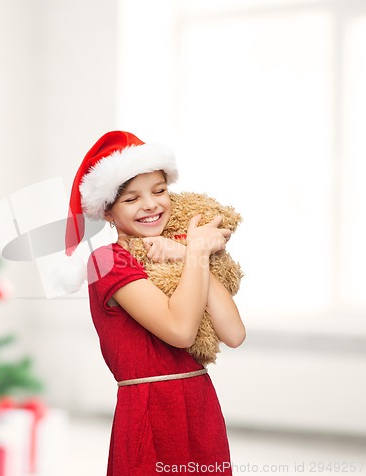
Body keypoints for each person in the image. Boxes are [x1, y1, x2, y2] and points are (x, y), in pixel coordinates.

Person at [65, 131, 246, 475]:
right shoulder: (107, 261)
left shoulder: (179, 252)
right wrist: (196, 252)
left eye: (159, 191)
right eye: (131, 199)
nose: (150, 205)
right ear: (107, 211)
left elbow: (234, 333)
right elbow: (180, 331)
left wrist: (186, 253)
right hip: (150, 412)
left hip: (200, 403)